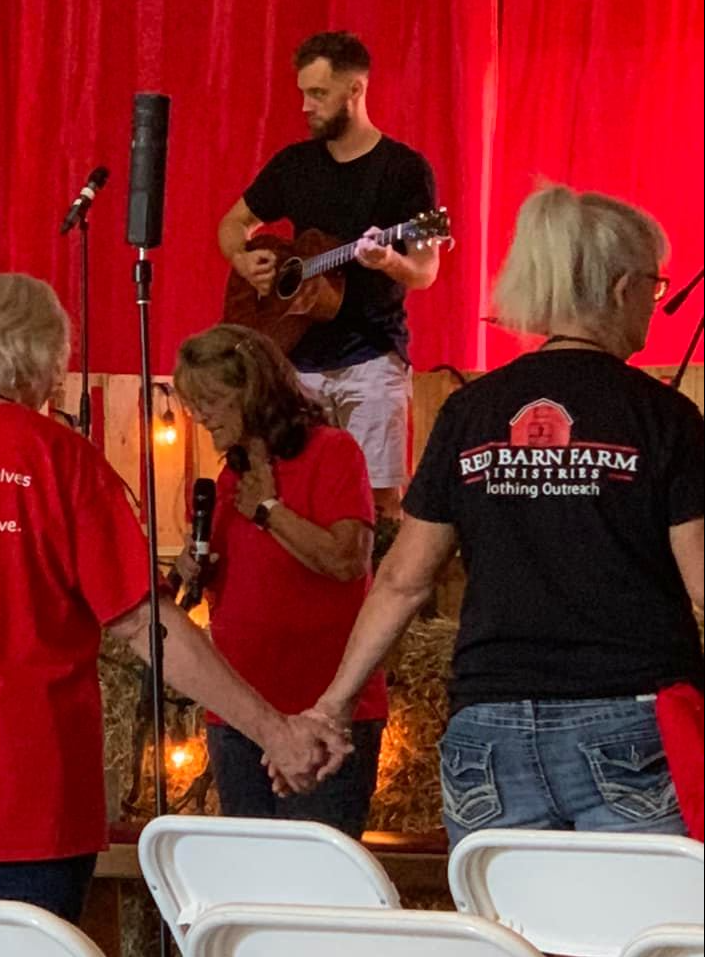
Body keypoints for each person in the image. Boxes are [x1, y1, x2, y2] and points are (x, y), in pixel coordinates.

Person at [285, 186, 705, 848]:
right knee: (644, 916)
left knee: (506, 914)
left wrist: (331, 705)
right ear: (622, 287)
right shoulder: (663, 416)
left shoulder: (471, 412)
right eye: (654, 289)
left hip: (488, 730)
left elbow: (402, 579)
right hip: (629, 722)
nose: (653, 306)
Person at [0, 274, 348, 924]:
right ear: (35, 354)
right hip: (29, 800)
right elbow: (144, 623)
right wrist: (276, 731)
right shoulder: (58, 458)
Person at [173, 323, 389, 839]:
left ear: (252, 393)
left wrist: (269, 511)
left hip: (323, 716)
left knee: (316, 870)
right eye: (193, 403)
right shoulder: (227, 479)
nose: (200, 415)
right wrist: (190, 569)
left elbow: (347, 561)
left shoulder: (333, 452)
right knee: (251, 868)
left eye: (211, 400)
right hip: (239, 715)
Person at [218, 31, 441, 518]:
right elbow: (233, 224)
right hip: (295, 360)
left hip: (372, 359)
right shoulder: (293, 166)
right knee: (296, 495)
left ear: (355, 90)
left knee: (377, 500)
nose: (305, 106)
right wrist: (242, 259)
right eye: (303, 92)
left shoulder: (403, 170)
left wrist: (390, 262)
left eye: (318, 93)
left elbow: (425, 270)